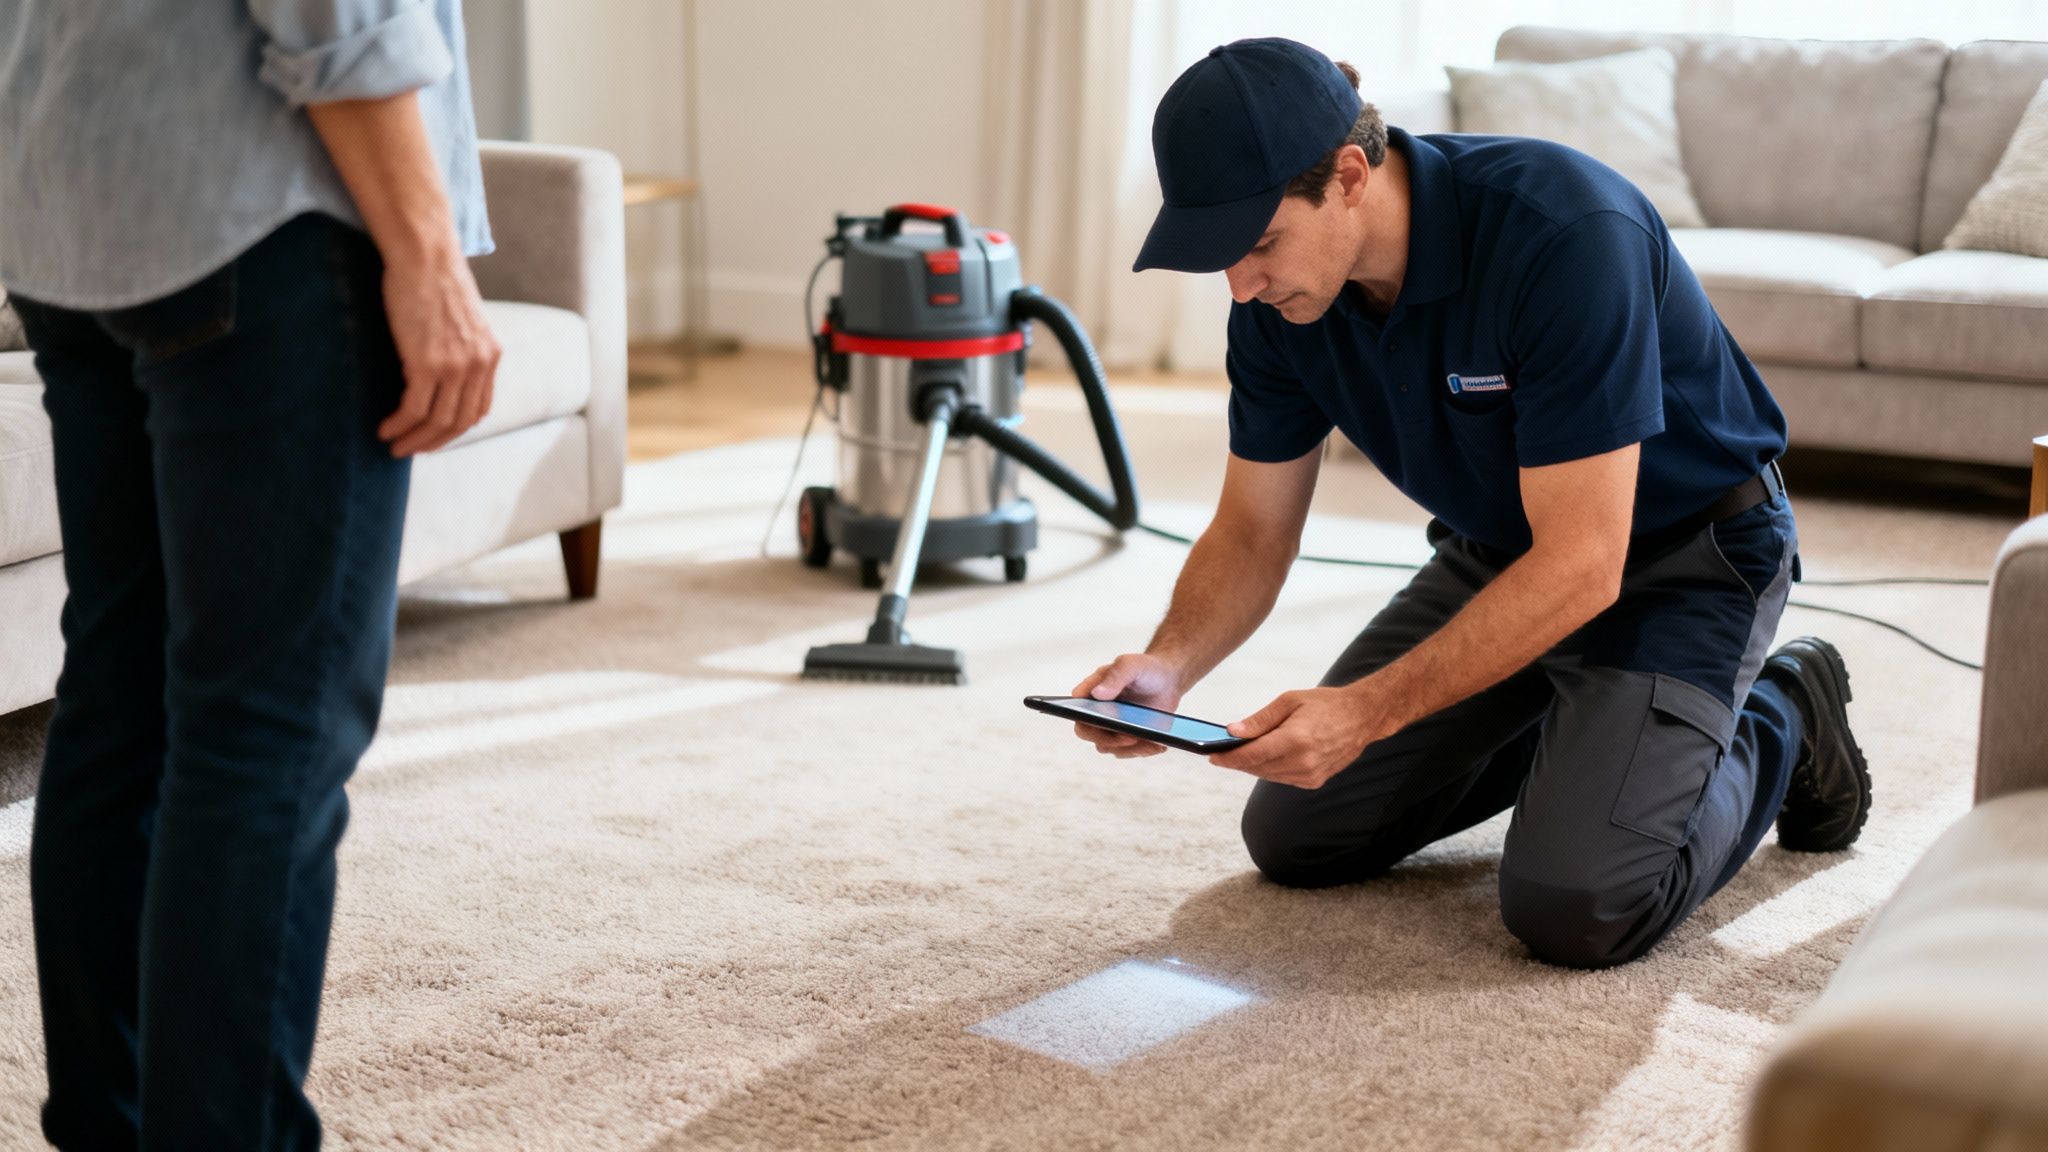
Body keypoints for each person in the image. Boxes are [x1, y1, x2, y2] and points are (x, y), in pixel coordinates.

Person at [1071, 38, 1871, 970]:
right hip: (1500, 555)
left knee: (1580, 905)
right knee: (1298, 835)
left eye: (1258, 244)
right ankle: (1595, 743)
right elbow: (1253, 528)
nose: (1241, 285)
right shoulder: (1280, 308)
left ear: (1350, 176)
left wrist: (1367, 712)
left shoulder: (1565, 232)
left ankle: (1784, 708)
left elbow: (1584, 561)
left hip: (1686, 561)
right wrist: (1170, 666)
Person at [0, 1, 501, 1146]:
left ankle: (112, 1124)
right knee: (266, 731)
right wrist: (424, 252)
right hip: (264, 206)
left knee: (121, 700)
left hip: (70, 193)